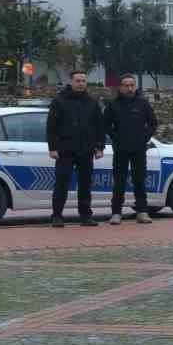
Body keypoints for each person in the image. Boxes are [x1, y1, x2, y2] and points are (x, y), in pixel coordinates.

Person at [45, 71, 106, 228]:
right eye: (78, 80)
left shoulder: (92, 102)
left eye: (83, 81)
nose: (81, 83)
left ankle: (86, 216)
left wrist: (100, 147)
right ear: (71, 82)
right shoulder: (59, 101)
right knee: (62, 183)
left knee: (85, 184)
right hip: (65, 149)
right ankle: (57, 216)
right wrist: (52, 148)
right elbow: (51, 126)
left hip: (86, 149)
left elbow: (99, 126)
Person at [103, 73, 158, 225]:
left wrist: (144, 138)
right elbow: (105, 124)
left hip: (139, 149)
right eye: (126, 86)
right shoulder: (113, 104)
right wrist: (115, 137)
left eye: (132, 85)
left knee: (139, 180)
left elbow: (153, 123)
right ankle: (116, 213)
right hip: (120, 149)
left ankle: (142, 212)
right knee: (119, 181)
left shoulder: (143, 103)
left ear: (135, 86)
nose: (129, 88)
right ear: (120, 87)